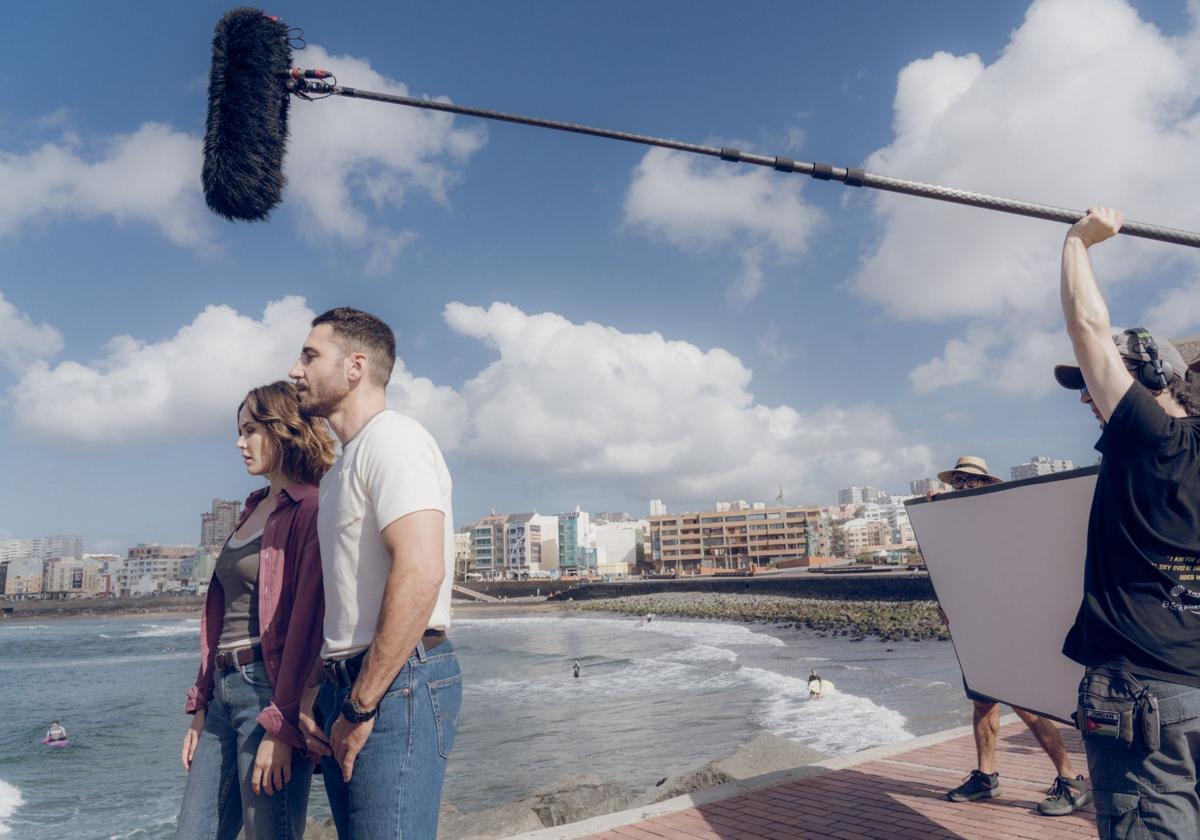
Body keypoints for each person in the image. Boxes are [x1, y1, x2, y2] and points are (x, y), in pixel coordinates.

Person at [1054, 208, 1200, 839]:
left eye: (1093, 382)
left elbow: (1088, 323)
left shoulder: (1150, 438)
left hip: (1146, 688)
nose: (1088, 396)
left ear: (1149, 378)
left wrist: (1078, 243)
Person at [289, 307, 462, 840]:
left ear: (355, 366)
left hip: (395, 684)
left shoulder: (395, 439)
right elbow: (350, 598)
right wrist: (318, 685)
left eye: (310, 355)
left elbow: (421, 570)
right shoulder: (343, 466)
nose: (296, 370)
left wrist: (361, 706)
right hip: (356, 682)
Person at [176, 381, 335, 840]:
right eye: (239, 430)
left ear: (282, 430)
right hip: (223, 691)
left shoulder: (311, 506)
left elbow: (308, 622)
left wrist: (281, 726)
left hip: (268, 690)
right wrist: (203, 703)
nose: (238, 443)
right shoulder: (252, 509)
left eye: (249, 430)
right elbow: (219, 617)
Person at [932, 456, 1091, 816]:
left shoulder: (1004, 521)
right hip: (978, 633)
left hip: (1008, 630)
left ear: (987, 484)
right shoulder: (956, 531)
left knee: (1027, 705)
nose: (962, 487)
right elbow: (953, 573)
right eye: (957, 481)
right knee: (983, 705)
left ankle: (1071, 779)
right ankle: (986, 778)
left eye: (970, 481)